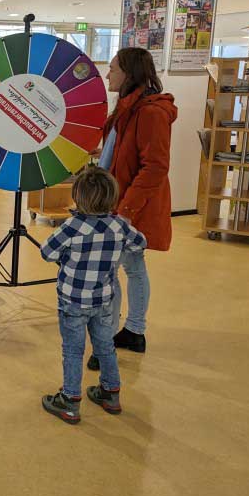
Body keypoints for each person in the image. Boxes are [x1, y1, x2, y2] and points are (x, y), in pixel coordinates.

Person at [89, 47, 177, 367]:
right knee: (131, 267)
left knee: (110, 272)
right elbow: (117, 155)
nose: (107, 74)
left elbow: (154, 167)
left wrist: (125, 212)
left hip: (128, 208)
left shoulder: (150, 112)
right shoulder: (127, 109)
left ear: (129, 73)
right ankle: (134, 331)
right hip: (118, 204)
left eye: (112, 68)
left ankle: (106, 343)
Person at [40, 166, 147, 424]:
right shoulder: (118, 225)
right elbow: (140, 242)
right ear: (113, 197)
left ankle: (70, 400)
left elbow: (47, 252)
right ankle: (110, 393)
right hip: (103, 300)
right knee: (105, 347)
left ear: (77, 196)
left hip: (72, 302)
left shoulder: (72, 226)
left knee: (73, 351)